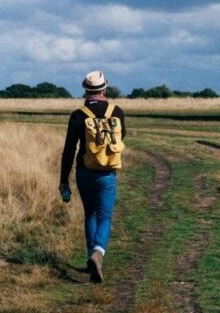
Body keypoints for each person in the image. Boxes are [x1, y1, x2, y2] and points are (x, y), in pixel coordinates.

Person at [59, 70, 127, 283]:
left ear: (86, 91)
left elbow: (69, 150)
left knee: (90, 214)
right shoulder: (117, 112)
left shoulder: (78, 115)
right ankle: (98, 253)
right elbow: (121, 137)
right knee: (104, 216)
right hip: (107, 172)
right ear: (104, 89)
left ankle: (92, 257)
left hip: (84, 172)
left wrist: (63, 180)